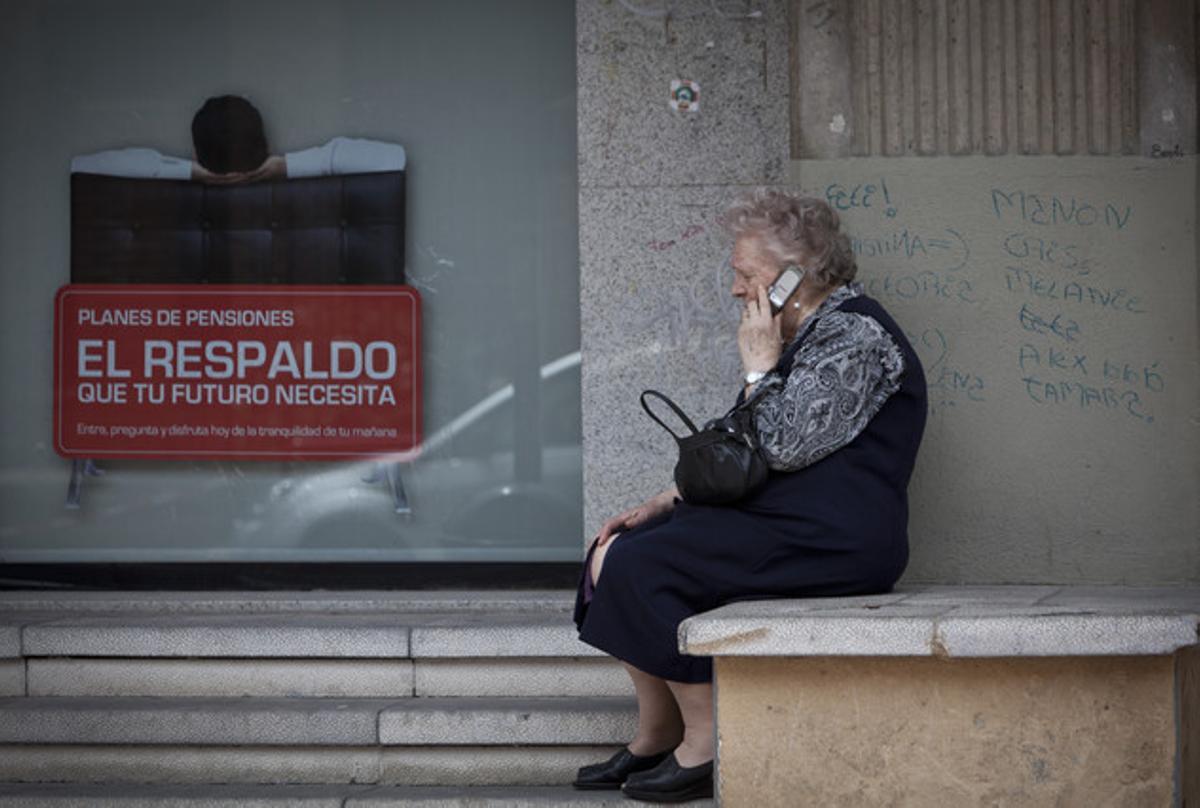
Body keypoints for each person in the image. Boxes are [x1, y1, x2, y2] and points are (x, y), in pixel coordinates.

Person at [572, 190, 927, 803]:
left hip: (836, 540)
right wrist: (668, 499)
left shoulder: (855, 337)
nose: (737, 289)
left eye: (745, 274)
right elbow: (742, 452)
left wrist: (760, 369)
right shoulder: (806, 334)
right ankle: (658, 732)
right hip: (786, 523)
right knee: (613, 548)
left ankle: (705, 737)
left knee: (641, 564)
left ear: (797, 273)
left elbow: (784, 447)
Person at [70, 94, 405, 183]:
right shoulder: (279, 165)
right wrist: (287, 166)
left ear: (197, 153)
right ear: (266, 144)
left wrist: (187, 172)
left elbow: (87, 166)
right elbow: (391, 157)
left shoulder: (188, 173)